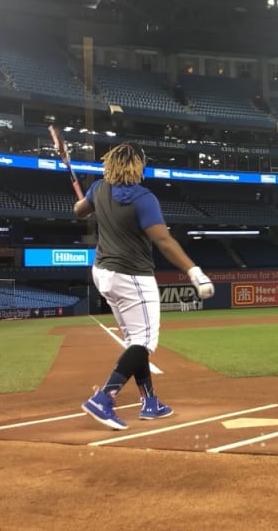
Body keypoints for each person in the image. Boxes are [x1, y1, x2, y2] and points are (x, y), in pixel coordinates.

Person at [71, 141, 215, 430]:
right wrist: (193, 270)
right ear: (138, 166)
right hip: (132, 276)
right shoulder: (143, 197)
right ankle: (104, 398)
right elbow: (163, 240)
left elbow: (79, 211)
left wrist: (86, 197)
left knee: (134, 340)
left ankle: (150, 401)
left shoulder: (98, 188)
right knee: (144, 342)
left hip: (103, 273)